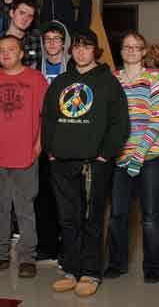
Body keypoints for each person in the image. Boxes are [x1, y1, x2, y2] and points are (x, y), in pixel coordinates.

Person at [42, 29, 129, 297]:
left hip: (94, 163)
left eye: (87, 47)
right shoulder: (61, 82)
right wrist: (50, 150)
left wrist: (105, 153)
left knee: (92, 218)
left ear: (95, 51)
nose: (81, 52)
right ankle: (71, 270)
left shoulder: (108, 82)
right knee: (68, 219)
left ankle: (90, 272)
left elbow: (120, 123)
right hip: (61, 162)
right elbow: (48, 117)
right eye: (77, 47)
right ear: (71, 51)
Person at [0, 35, 47, 279]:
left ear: (21, 54)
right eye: (1, 50)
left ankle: (27, 258)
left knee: (25, 209)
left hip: (26, 155)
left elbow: (46, 116)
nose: (6, 53)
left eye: (11, 49)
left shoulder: (35, 79)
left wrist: (39, 146)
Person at [106, 32, 159, 284]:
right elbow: (109, 118)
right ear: (121, 51)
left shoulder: (154, 77)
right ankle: (117, 264)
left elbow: (157, 118)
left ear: (143, 52)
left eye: (136, 47)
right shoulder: (113, 78)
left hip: (150, 157)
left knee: (150, 216)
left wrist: (138, 155)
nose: (131, 50)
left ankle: (152, 267)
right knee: (118, 214)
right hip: (120, 159)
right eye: (126, 46)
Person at [35, 21, 71, 263]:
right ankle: (47, 246)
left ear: (64, 42)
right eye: (47, 39)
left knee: (66, 197)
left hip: (67, 140)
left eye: (56, 38)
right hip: (41, 139)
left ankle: (67, 246)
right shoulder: (35, 70)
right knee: (43, 194)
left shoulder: (73, 70)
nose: (52, 43)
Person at [0, 0, 41, 70]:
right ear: (12, 13)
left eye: (30, 16)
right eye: (22, 13)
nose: (25, 19)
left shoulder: (35, 41)